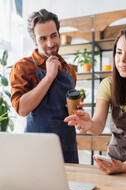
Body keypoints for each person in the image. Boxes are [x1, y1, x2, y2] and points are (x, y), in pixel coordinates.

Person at [64, 25, 126, 173]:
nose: (122, 60)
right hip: (114, 161)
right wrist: (89, 124)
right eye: (118, 52)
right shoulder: (108, 85)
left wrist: (124, 167)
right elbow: (98, 125)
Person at [10, 9, 79, 164]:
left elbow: (66, 111)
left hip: (67, 149)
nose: (50, 44)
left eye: (53, 36)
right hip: (37, 152)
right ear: (34, 41)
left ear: (59, 34)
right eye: (43, 38)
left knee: (73, 188)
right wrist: (49, 77)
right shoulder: (23, 67)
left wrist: (76, 112)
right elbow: (22, 109)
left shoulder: (69, 70)